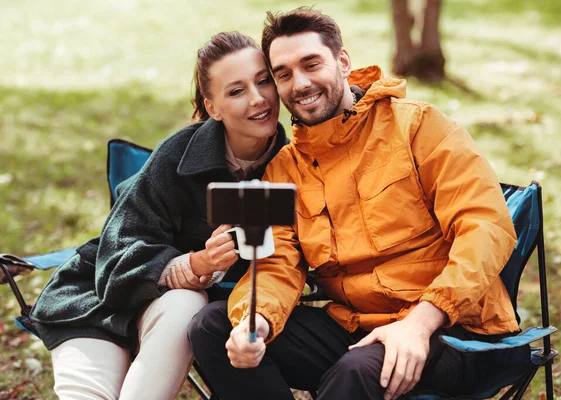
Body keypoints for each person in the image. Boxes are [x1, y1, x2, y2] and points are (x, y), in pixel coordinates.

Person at [188, 8, 529, 400]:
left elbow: (485, 229)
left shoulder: (420, 126)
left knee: (355, 371)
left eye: (311, 64)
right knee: (213, 326)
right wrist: (256, 321)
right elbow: (277, 260)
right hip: (355, 328)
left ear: (344, 62)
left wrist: (420, 323)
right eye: (283, 74)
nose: (299, 83)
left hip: (452, 330)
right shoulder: (283, 169)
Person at [29, 31, 286, 400]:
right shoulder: (176, 157)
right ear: (212, 107)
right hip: (97, 305)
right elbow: (114, 259)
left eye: (263, 81)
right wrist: (197, 263)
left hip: (183, 316)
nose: (258, 98)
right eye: (236, 91)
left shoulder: (292, 166)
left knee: (187, 303)